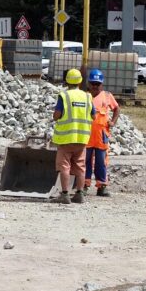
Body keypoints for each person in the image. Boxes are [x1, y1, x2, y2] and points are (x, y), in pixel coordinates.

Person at [52, 69, 95, 204]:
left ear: (67, 81)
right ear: (80, 81)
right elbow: (94, 116)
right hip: (81, 139)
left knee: (64, 167)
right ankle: (79, 194)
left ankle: (65, 195)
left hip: (66, 139)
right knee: (80, 167)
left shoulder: (64, 96)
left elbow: (57, 115)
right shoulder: (87, 97)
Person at [85, 69, 120, 197]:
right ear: (89, 83)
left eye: (97, 84)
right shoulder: (85, 96)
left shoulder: (107, 96)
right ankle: (84, 185)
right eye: (93, 83)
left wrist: (113, 122)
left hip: (101, 135)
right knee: (85, 161)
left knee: (101, 162)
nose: (95, 86)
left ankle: (102, 187)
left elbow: (116, 109)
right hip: (87, 135)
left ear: (102, 84)